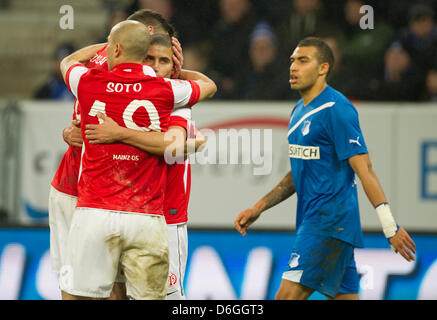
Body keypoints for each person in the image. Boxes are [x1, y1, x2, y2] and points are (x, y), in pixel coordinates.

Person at [234, 37, 416, 300]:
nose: (293, 67)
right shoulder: (299, 110)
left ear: (323, 68)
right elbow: (297, 174)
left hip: (328, 223)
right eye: (292, 61)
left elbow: (365, 169)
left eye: (303, 60)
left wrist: (390, 227)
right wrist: (258, 207)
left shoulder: (337, 109)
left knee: (285, 297)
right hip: (323, 225)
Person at [59, 20, 216, 300]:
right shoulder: (170, 94)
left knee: (78, 293)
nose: (157, 67)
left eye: (165, 61)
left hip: (156, 214)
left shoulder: (90, 82)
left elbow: (68, 62)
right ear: (141, 56)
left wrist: (116, 133)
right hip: (144, 214)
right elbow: (208, 86)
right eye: (150, 58)